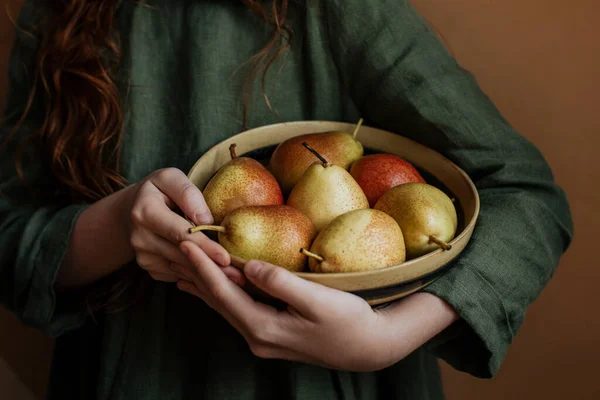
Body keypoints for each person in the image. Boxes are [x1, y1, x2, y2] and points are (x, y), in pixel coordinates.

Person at [0, 0, 573, 399]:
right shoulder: (58, 16)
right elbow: (11, 240)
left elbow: (527, 195)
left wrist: (392, 336)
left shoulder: (337, 11)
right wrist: (123, 221)